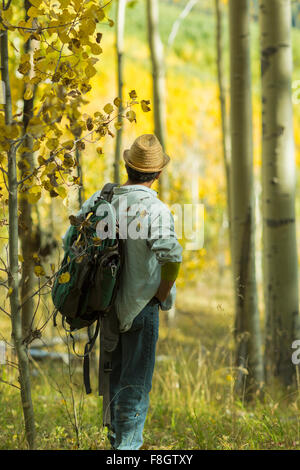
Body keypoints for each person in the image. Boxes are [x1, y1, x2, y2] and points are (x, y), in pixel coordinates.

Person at [65, 134, 182, 449]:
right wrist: (160, 294)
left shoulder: (102, 198)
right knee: (135, 387)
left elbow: (70, 241)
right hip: (143, 307)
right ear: (158, 174)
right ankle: (125, 451)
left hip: (106, 306)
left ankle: (117, 444)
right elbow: (172, 257)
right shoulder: (156, 210)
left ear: (127, 166)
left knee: (114, 383)